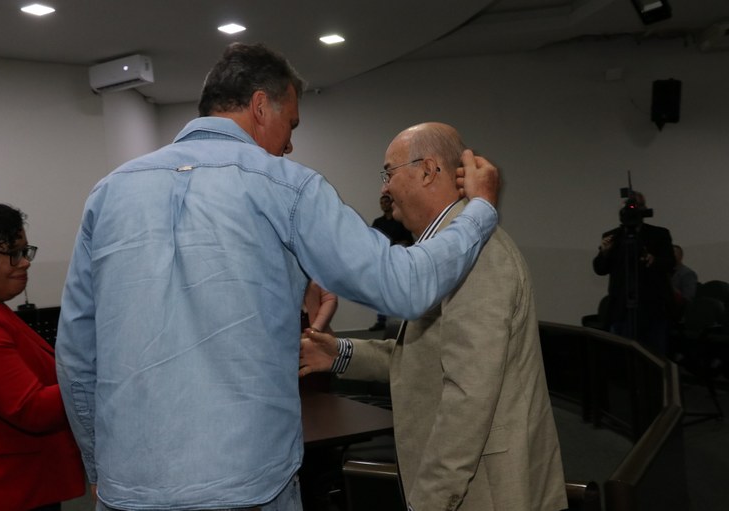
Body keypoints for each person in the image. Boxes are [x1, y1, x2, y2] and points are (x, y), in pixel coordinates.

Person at [56, 43, 500, 511]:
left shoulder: (109, 192)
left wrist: (99, 465)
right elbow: (404, 287)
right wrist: (480, 210)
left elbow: (76, 355)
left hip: (129, 487)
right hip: (245, 485)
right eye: (291, 124)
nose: (289, 144)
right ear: (259, 106)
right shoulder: (286, 186)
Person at [300, 122, 567, 511]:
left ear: (427, 171)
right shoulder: (446, 252)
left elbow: (468, 396)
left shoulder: (476, 254)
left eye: (388, 173)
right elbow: (421, 358)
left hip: (487, 492)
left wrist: (430, 501)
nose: (384, 190)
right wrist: (338, 354)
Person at [0, 203, 85, 511]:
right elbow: (31, 409)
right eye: (14, 254)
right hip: (3, 492)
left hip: (21, 487)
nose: (26, 262)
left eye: (25, 251)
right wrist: (100, 379)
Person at [593, 192, 676, 355]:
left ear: (644, 210)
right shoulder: (612, 236)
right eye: (629, 206)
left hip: (652, 307)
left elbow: (670, 263)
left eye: (637, 206)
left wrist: (654, 260)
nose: (632, 210)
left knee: (655, 357)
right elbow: (600, 269)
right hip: (621, 308)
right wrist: (604, 252)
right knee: (623, 356)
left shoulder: (659, 234)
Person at [368, 195, 414, 330]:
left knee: (400, 289)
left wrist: (395, 245)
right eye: (381, 202)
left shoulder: (400, 220)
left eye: (386, 202)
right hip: (383, 260)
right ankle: (381, 321)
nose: (384, 204)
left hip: (399, 259)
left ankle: (403, 321)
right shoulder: (378, 222)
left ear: (391, 203)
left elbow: (408, 241)